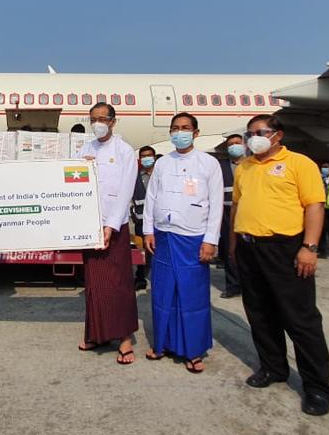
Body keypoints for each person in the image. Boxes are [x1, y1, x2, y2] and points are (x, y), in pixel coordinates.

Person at [229, 114, 329, 416]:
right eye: (249, 133)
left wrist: (309, 247)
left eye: (259, 132)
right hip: (249, 247)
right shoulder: (245, 167)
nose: (253, 138)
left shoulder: (300, 163)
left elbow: (314, 205)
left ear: (278, 135)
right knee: (260, 314)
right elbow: (237, 206)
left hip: (285, 248)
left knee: (300, 319)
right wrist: (234, 245)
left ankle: (317, 387)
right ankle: (273, 368)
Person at [142, 112, 222, 373]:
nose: (180, 132)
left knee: (192, 295)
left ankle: (193, 350)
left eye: (185, 128)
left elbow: (216, 205)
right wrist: (148, 231)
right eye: (175, 128)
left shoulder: (208, 163)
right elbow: (151, 197)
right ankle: (161, 344)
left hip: (193, 237)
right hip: (163, 235)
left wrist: (210, 240)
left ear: (196, 133)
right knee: (162, 293)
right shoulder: (163, 163)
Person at [76, 102, 139, 365]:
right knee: (94, 284)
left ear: (113, 121)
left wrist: (111, 227)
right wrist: (81, 167)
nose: (98, 123)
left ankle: (124, 338)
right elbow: (72, 180)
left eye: (103, 118)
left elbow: (125, 193)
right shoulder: (86, 148)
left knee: (120, 283)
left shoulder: (124, 151)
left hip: (115, 226)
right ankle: (97, 334)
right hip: (90, 224)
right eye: (94, 119)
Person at [217, 133, 245, 298]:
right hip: (227, 212)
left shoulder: (252, 164)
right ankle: (233, 285)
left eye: (237, 143)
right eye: (231, 144)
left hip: (248, 212)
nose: (234, 146)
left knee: (249, 251)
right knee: (229, 249)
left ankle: (249, 285)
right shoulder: (221, 166)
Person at [131, 145, 156, 290]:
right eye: (143, 156)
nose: (147, 158)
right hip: (141, 220)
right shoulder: (136, 178)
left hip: (160, 221)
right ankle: (140, 278)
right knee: (143, 251)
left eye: (149, 155)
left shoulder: (161, 174)